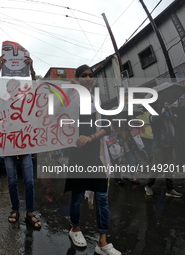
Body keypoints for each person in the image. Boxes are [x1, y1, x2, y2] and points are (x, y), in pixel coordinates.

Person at [64, 65, 121, 255]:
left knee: (102, 197)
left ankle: (102, 241)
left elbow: (109, 126)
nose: (88, 78)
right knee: (78, 195)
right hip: (78, 155)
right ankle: (75, 228)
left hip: (96, 155)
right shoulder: (70, 98)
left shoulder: (98, 101)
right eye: (83, 76)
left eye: (91, 75)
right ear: (78, 78)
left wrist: (91, 137)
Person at [0, 54, 41, 228]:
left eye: (16, 86)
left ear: (19, 88)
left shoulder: (25, 103)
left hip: (24, 146)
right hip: (8, 146)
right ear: (7, 88)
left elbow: (37, 93)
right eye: (10, 86)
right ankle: (15, 208)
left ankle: (30, 211)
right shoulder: (2, 103)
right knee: (12, 180)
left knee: (29, 180)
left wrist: (32, 71)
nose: (13, 88)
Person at [144, 101, 182, 198]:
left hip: (170, 145)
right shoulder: (153, 114)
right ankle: (148, 185)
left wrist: (173, 118)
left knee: (170, 168)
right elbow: (155, 119)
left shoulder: (167, 113)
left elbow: (171, 127)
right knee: (157, 167)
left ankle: (170, 189)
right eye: (159, 103)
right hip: (159, 146)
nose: (162, 104)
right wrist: (162, 111)